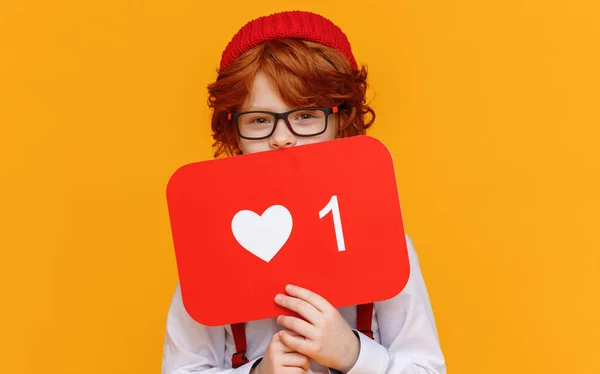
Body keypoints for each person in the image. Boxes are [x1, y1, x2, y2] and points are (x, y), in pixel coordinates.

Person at [161, 10, 446, 374]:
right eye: (260, 120)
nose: (282, 138)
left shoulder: (384, 241)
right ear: (234, 131)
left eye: (306, 115)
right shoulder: (209, 253)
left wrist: (354, 355)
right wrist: (256, 372)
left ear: (341, 120)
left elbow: (427, 368)